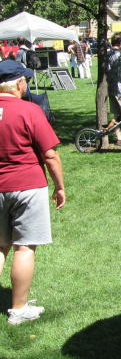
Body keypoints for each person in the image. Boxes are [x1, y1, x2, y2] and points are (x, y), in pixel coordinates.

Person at [0, 60, 66, 325]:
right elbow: (50, 155)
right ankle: (18, 309)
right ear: (18, 83)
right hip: (27, 185)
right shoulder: (29, 110)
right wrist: (60, 186)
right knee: (24, 247)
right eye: (25, 80)